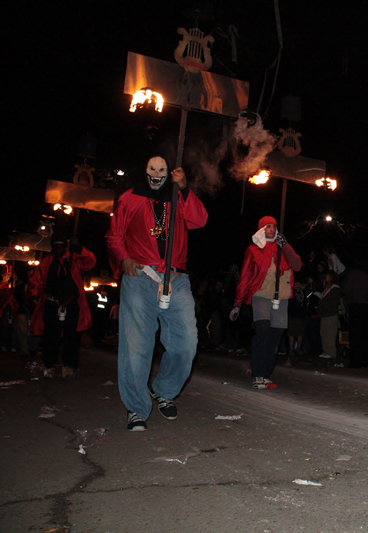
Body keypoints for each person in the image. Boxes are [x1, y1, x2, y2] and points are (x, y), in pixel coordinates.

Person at [106, 156, 208, 431]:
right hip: (139, 277)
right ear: (144, 171)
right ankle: (137, 408)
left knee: (187, 341)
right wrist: (123, 257)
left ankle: (163, 391)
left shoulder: (178, 197)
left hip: (176, 278)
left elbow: (199, 220)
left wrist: (184, 187)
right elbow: (114, 235)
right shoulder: (130, 198)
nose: (156, 174)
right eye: (152, 168)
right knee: (137, 344)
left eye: (162, 169)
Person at [231, 216, 302, 390]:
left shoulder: (283, 247)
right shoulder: (254, 249)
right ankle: (257, 374)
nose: (271, 228)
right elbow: (246, 276)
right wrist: (237, 304)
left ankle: (265, 375)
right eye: (267, 226)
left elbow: (297, 265)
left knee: (275, 339)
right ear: (261, 229)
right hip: (261, 295)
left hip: (282, 297)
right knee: (262, 332)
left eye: (274, 226)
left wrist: (285, 245)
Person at [29, 234, 95, 378]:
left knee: (71, 337)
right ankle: (48, 364)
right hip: (52, 303)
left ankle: (69, 365)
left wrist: (78, 247)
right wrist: (34, 295)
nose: (58, 249)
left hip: (71, 303)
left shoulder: (74, 258)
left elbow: (90, 261)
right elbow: (37, 280)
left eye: (61, 246)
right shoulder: (47, 261)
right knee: (50, 336)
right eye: (56, 246)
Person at [339, 261, 368, 368]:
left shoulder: (353, 274)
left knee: (356, 335)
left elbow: (345, 289)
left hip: (357, 306)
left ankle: (357, 361)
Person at [316, 271, 341, 359]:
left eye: (327, 275)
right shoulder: (325, 287)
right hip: (324, 314)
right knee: (323, 333)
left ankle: (331, 352)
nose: (325, 277)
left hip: (331, 313)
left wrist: (322, 306)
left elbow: (331, 301)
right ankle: (326, 350)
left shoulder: (335, 288)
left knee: (330, 333)